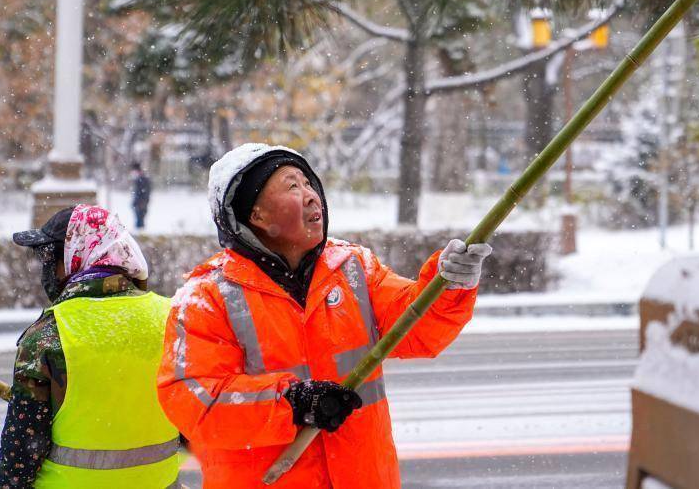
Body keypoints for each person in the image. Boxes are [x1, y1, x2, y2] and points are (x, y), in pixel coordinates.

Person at [157, 143, 491, 489]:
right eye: (291, 186)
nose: (311, 196)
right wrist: (293, 403)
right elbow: (193, 400)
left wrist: (448, 286)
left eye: (308, 183)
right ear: (257, 216)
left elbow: (418, 330)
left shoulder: (353, 268)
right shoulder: (207, 296)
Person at [0, 204, 180, 489]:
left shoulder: (50, 334)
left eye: (51, 258)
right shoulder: (172, 319)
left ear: (76, 256)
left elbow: (20, 457)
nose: (46, 268)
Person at [131, 162, 152, 230]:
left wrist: (143, 202)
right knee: (138, 221)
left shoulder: (143, 179)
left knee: (140, 222)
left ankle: (140, 234)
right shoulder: (139, 179)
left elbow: (146, 192)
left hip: (141, 204)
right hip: (138, 204)